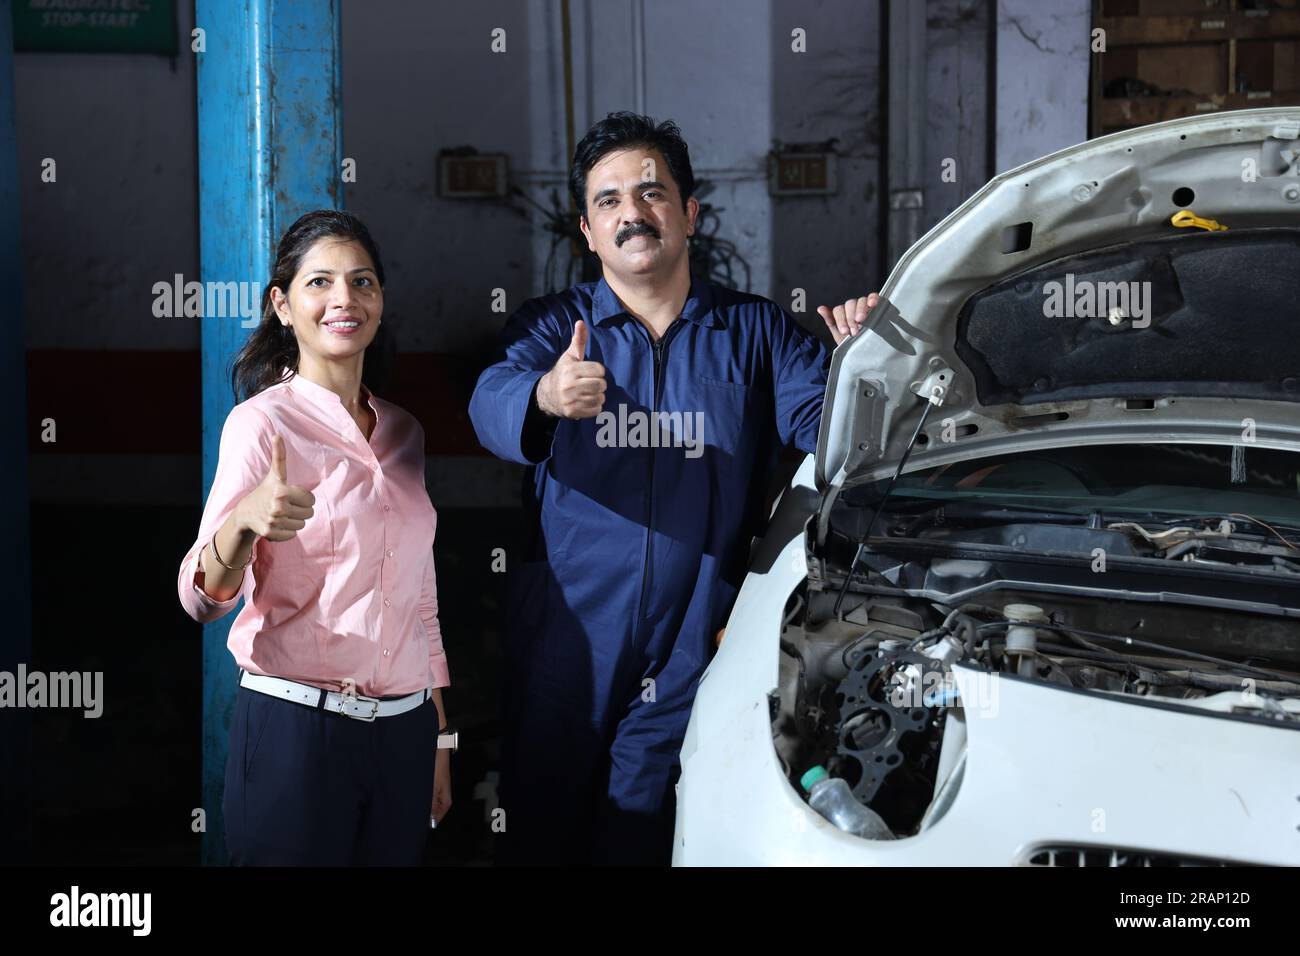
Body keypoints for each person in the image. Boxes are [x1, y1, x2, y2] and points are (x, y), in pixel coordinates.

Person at [469, 112, 875, 865]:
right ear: (588, 232)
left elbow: (834, 431)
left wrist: (863, 361)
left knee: (646, 829)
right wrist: (546, 397)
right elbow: (490, 406)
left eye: (651, 193)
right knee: (542, 826)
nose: (632, 213)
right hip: (570, 636)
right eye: (609, 200)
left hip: (691, 640)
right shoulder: (553, 328)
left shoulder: (754, 332)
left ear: (689, 212)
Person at [177, 209, 452, 866]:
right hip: (298, 732)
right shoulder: (260, 426)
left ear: (380, 300)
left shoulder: (405, 432)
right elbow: (200, 599)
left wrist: (440, 739)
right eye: (319, 282)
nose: (343, 299)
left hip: (406, 734)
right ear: (283, 304)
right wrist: (244, 521)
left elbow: (419, 601)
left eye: (362, 282)